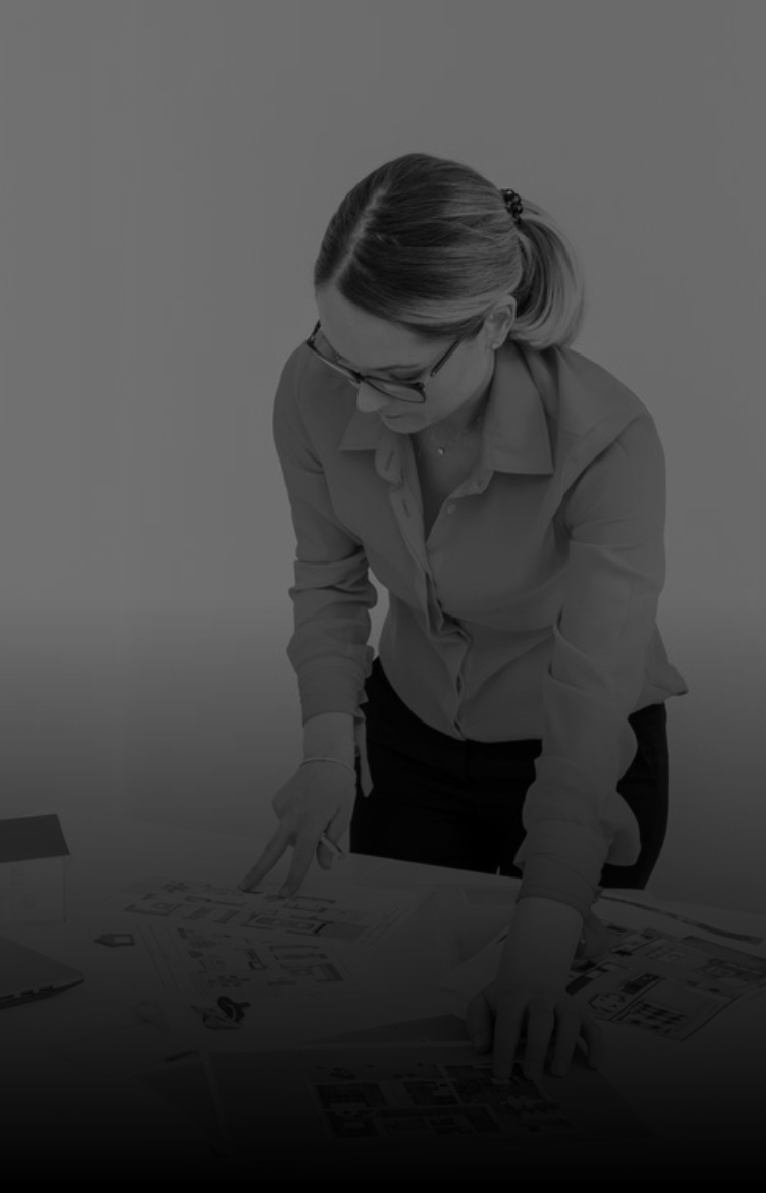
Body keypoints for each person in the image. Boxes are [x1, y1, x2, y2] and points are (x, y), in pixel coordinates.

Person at [238, 152, 688, 1082]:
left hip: (576, 753)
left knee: (544, 1038)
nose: (363, 398)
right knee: (398, 1014)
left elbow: (591, 697)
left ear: (492, 323)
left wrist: (537, 952)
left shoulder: (607, 440)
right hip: (407, 739)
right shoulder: (315, 385)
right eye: (340, 356)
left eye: (399, 376)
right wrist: (325, 752)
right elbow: (328, 579)